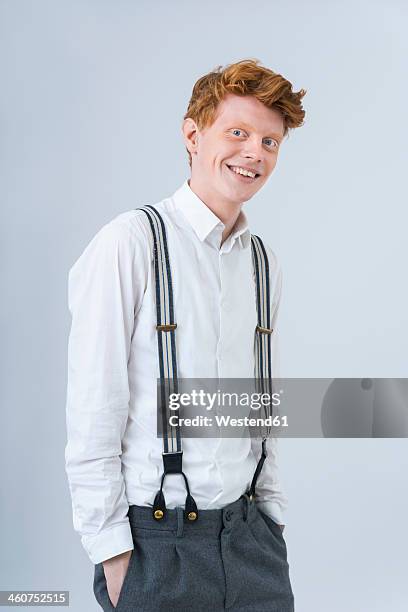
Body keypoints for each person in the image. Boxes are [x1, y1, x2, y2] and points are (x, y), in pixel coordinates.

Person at [65, 58, 306, 611]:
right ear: (193, 134)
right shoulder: (129, 243)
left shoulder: (262, 263)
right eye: (238, 133)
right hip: (157, 550)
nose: (254, 154)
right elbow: (93, 409)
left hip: (252, 544)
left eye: (270, 142)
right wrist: (112, 553)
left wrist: (272, 519)